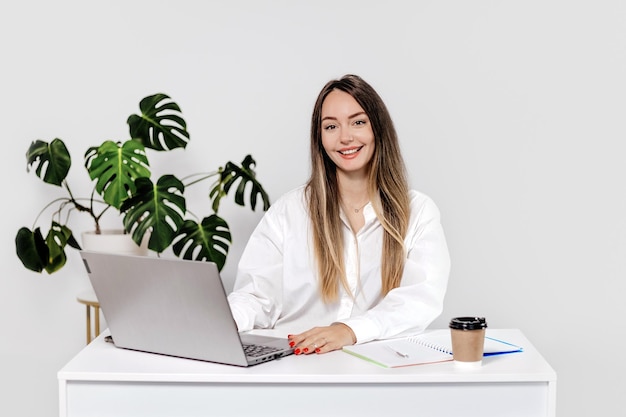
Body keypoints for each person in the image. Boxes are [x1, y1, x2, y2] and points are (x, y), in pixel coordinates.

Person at [227, 74, 450, 355]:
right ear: (319, 138)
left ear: (378, 129)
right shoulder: (289, 211)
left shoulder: (418, 212)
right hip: (293, 366)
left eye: (358, 122)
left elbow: (419, 301)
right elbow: (256, 297)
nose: (345, 137)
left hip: (377, 372)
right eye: (331, 126)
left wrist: (349, 331)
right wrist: (219, 321)